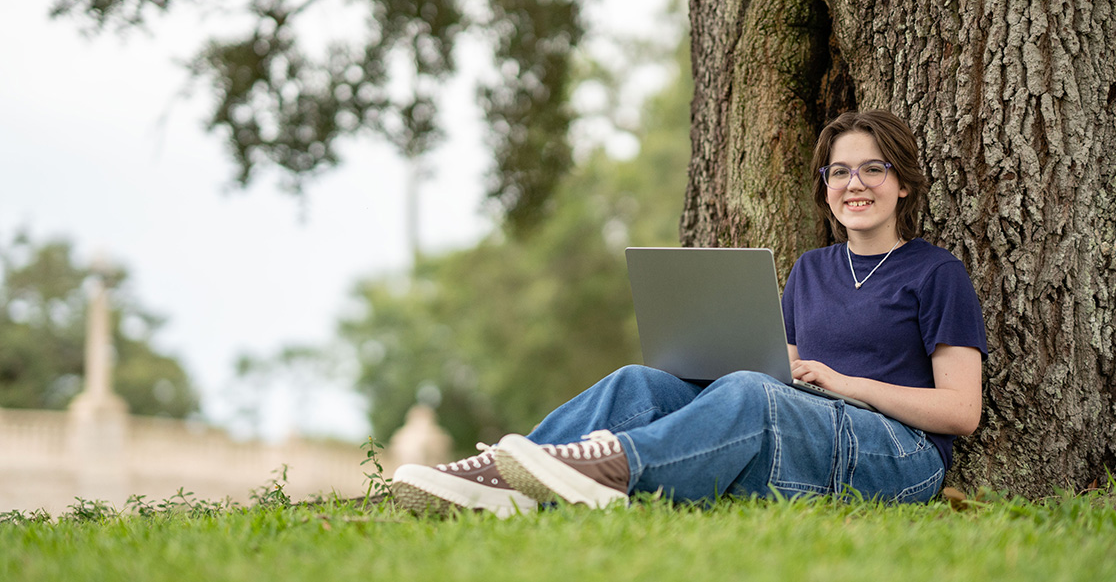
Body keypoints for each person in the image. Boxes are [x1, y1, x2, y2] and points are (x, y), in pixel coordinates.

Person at [390, 109, 987, 518]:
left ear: (902, 183)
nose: (854, 184)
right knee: (641, 381)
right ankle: (500, 475)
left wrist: (845, 383)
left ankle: (606, 469)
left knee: (752, 394)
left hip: (900, 454)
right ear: (825, 186)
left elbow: (960, 411)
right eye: (839, 171)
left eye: (872, 168)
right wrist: (752, 363)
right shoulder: (811, 269)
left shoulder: (936, 274)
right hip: (814, 423)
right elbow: (781, 369)